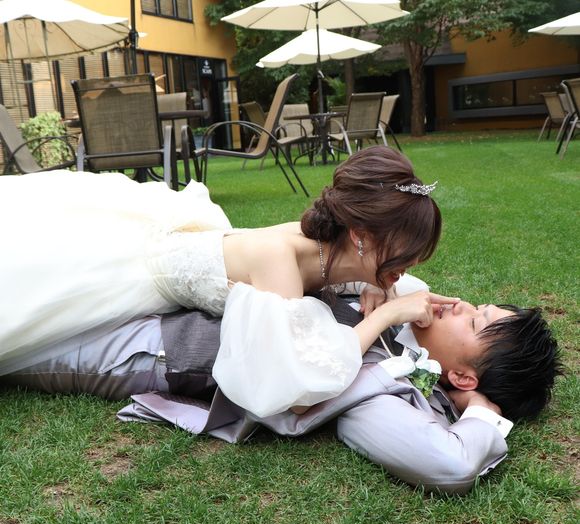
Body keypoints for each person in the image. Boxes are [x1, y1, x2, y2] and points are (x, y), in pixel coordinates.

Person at [0, 146, 457, 415]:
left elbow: (363, 279)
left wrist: (383, 285)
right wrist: (387, 314)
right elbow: (295, 383)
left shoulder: (333, 249)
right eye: (406, 249)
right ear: (360, 235)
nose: (415, 260)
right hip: (132, 274)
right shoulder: (279, 260)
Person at [1, 278, 561, 494]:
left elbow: (448, 464)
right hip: (171, 295)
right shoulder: (399, 305)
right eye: (478, 305)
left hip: (159, 346)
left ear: (462, 376)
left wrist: (481, 411)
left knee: (16, 337)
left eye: (474, 321)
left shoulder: (387, 390)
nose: (459, 304)